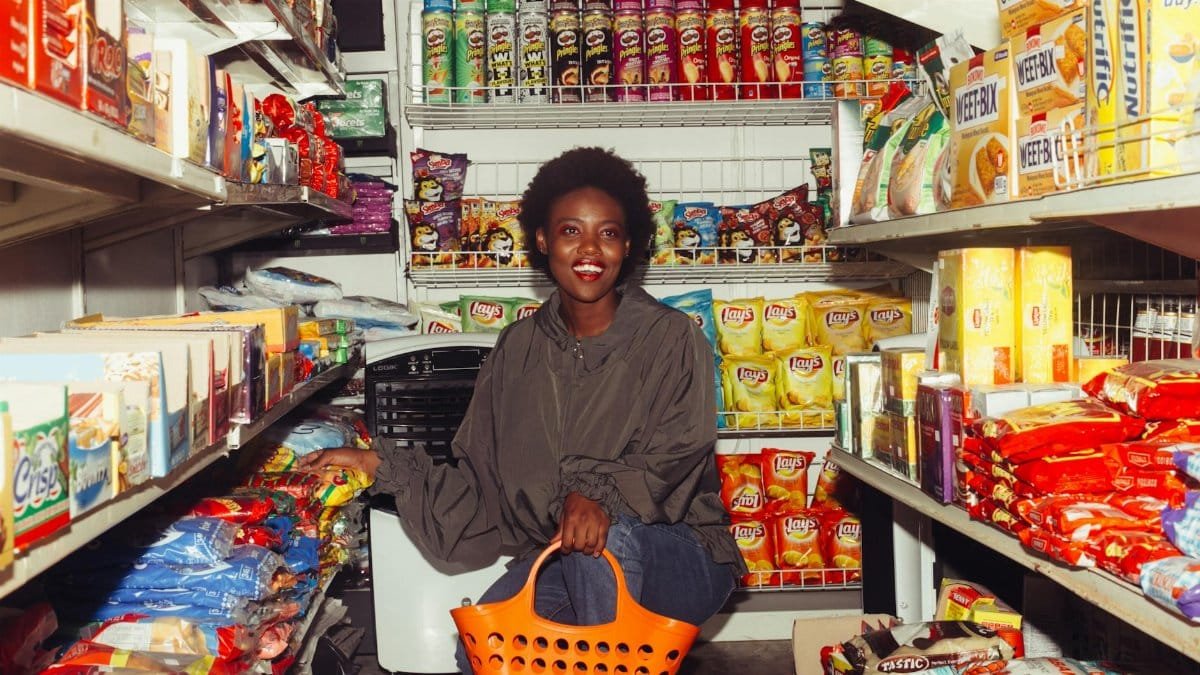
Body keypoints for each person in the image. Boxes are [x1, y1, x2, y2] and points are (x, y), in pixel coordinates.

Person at [301, 147, 744, 672]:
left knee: (600, 541)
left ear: (628, 245)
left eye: (608, 233)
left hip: (681, 554)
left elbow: (675, 456)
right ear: (542, 239)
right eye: (570, 231)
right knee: (481, 650)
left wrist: (597, 494)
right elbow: (480, 481)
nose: (590, 250)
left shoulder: (671, 338)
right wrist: (381, 466)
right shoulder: (516, 350)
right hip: (570, 556)